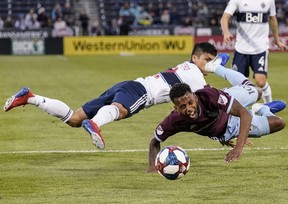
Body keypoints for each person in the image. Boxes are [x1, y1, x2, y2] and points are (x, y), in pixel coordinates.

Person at [3, 43, 264, 150]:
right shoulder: (194, 74)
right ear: (195, 58)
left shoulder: (190, 72)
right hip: (140, 92)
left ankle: (31, 97)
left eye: (211, 60)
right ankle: (96, 124)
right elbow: (207, 107)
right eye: (206, 59)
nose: (208, 63)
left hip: (128, 84)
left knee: (73, 118)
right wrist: (225, 135)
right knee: (123, 110)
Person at [148, 83, 286, 171]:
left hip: (228, 99)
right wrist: (153, 167)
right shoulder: (174, 120)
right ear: (176, 109)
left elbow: (244, 115)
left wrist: (239, 146)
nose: (189, 108)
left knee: (258, 91)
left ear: (195, 98)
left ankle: (219, 67)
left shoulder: (209, 96)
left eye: (190, 102)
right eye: (183, 107)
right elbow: (154, 140)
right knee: (279, 123)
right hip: (231, 127)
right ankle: (262, 109)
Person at [220, 0, 286, 104]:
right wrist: (226, 32)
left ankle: (269, 109)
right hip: (241, 49)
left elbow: (273, 19)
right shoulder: (237, 1)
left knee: (261, 81)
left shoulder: (269, 1)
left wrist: (277, 40)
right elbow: (225, 17)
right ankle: (240, 114)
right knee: (238, 85)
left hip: (260, 49)